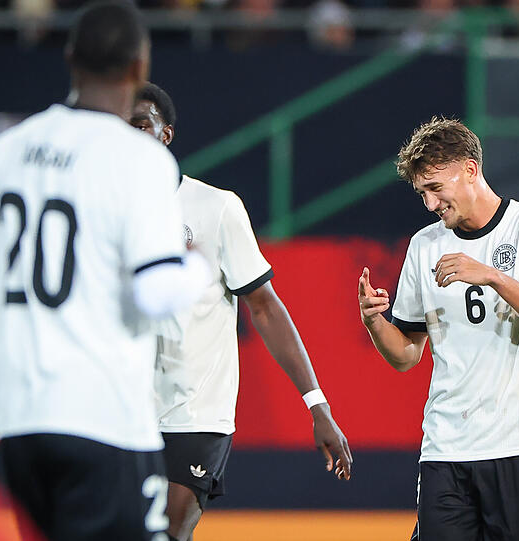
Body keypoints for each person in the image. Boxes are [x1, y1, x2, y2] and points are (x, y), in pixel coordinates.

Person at [0, 3, 209, 540]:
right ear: (138, 66)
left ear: (69, 58)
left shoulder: (9, 147)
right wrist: (195, 269)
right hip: (106, 418)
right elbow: (155, 292)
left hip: (20, 421)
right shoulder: (139, 158)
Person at [130, 82, 353, 541]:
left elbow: (265, 308)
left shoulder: (215, 207)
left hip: (195, 412)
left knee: (168, 530)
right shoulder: (104, 211)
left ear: (165, 134)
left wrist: (318, 405)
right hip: (124, 409)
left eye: (141, 125)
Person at [358, 117, 519, 541]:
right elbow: (406, 354)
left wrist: (494, 277)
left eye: (435, 188)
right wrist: (374, 323)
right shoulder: (425, 246)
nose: (430, 204)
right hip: (447, 448)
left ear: (470, 169)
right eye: (422, 193)